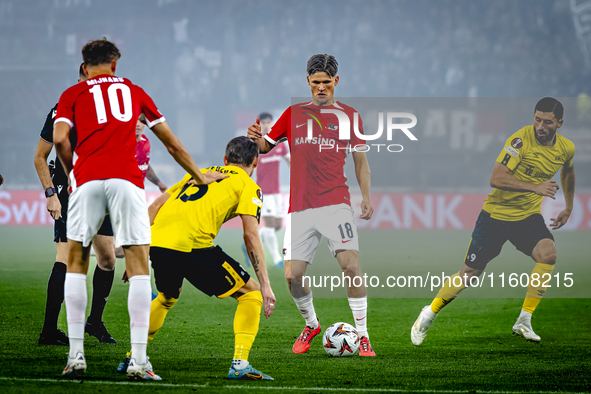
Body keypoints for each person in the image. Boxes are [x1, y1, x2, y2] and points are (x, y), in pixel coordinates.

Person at [54, 38, 224, 380]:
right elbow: (171, 142)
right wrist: (199, 176)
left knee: (75, 261)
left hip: (86, 180)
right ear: (115, 64)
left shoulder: (72, 94)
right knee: (138, 263)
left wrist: (75, 173)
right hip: (127, 181)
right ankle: (139, 363)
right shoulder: (133, 91)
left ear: (85, 67)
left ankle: (75, 358)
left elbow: (59, 139)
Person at [411, 97, 576, 345]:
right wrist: (535, 187)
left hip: (527, 218)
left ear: (559, 123)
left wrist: (569, 207)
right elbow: (496, 177)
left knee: (548, 254)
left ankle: (524, 320)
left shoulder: (566, 148)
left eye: (547, 122)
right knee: (470, 274)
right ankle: (429, 312)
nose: (540, 126)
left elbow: (568, 170)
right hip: (495, 216)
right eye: (537, 119)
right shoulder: (519, 141)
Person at [247, 54, 376, 356]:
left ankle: (364, 335)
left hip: (336, 202)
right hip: (300, 207)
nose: (320, 88)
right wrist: (255, 139)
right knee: (292, 276)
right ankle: (312, 324)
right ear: (307, 81)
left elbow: (361, 161)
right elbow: (267, 146)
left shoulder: (350, 116)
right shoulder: (292, 114)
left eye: (326, 83)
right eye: (315, 82)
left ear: (336, 82)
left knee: (351, 266)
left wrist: (366, 196)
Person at [117, 136, 276, 380]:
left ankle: (133, 355)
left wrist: (139, 252)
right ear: (255, 162)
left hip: (157, 241)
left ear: (225, 159)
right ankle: (240, 363)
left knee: (167, 296)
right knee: (251, 294)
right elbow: (251, 235)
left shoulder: (198, 172)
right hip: (192, 245)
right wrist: (266, 285)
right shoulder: (247, 184)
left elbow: (153, 208)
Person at [33, 63, 117, 346]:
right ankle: (48, 331)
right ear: (86, 69)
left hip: (102, 191)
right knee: (65, 259)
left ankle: (94, 321)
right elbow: (40, 156)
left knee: (106, 259)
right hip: (69, 193)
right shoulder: (64, 106)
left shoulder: (109, 105)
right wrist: (50, 194)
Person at [113, 116, 167, 259]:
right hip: (122, 196)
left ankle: (105, 249)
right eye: (135, 121)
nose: (138, 125)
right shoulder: (121, 143)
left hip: (137, 194)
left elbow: (145, 166)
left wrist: (158, 183)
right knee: (140, 232)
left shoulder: (145, 142)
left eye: (142, 122)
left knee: (129, 242)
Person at [242, 112, 290, 268]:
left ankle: (247, 245)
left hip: (276, 192)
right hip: (263, 191)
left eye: (270, 122)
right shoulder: (254, 146)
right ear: (260, 124)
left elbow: (291, 162)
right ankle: (277, 259)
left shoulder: (279, 145)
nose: (268, 125)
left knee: (276, 226)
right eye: (265, 122)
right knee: (269, 226)